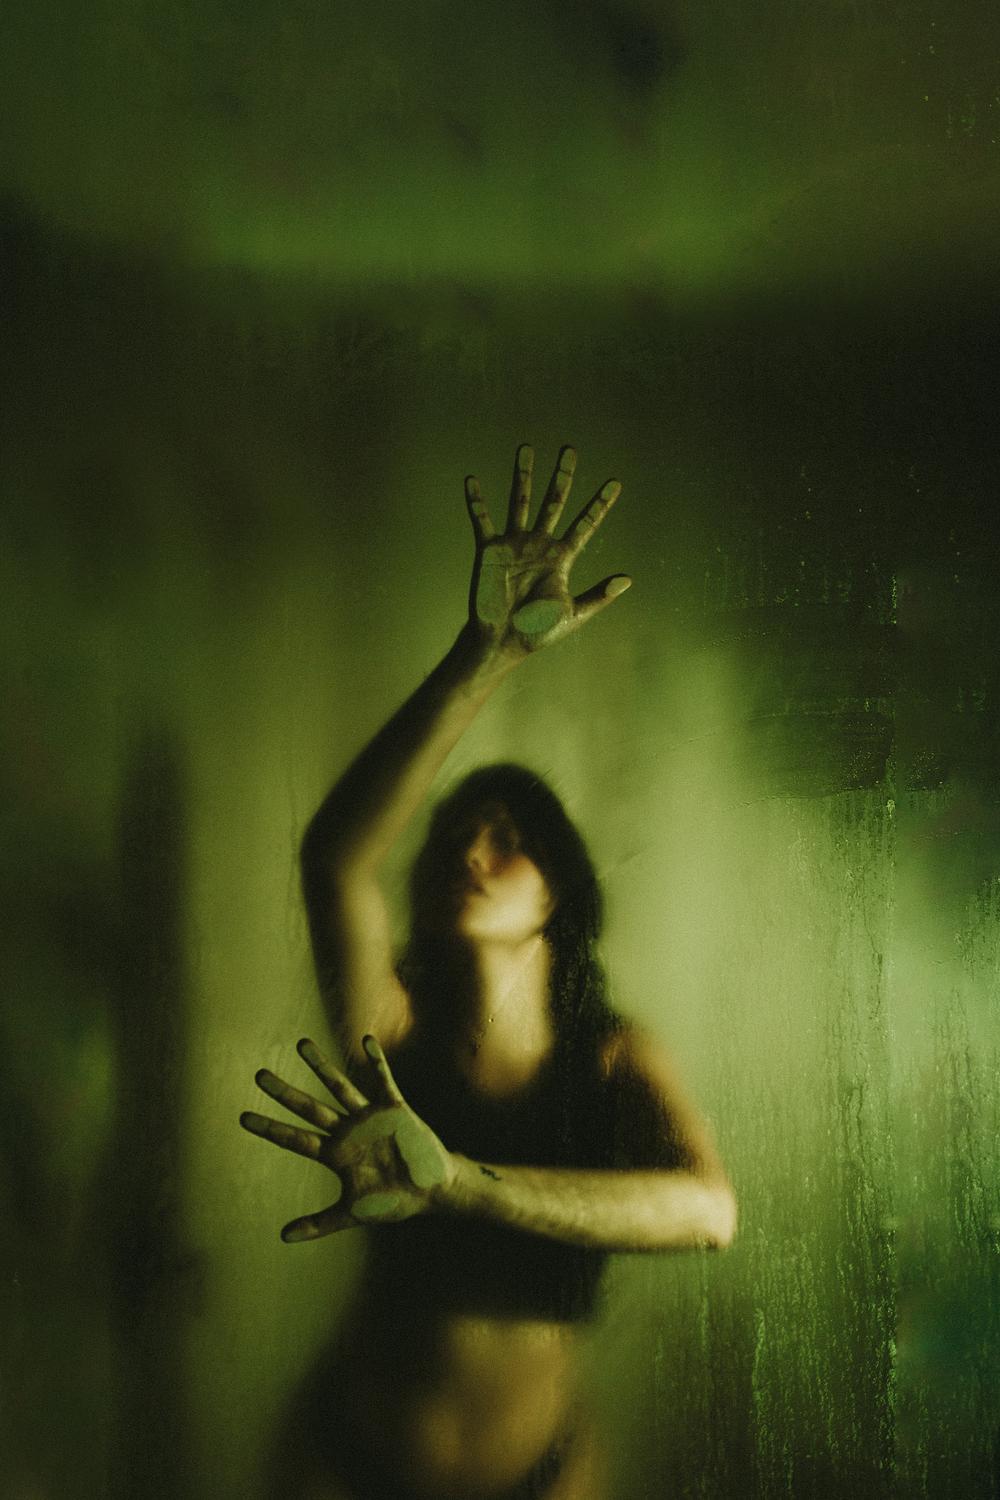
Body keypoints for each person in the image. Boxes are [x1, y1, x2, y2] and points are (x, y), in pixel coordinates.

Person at [239, 444, 737, 1500]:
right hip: (347, 1460)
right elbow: (335, 859)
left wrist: (463, 1185)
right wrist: (486, 655)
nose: (470, 850)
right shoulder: (393, 1029)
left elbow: (705, 1211)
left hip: (544, 1475)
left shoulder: (610, 1056)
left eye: (506, 838)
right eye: (454, 836)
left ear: (558, 891)